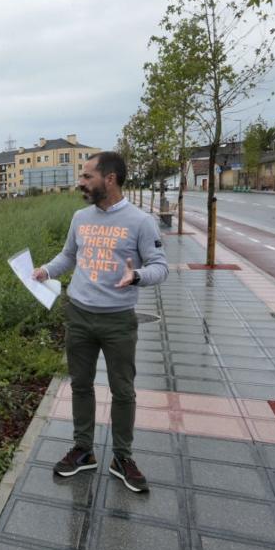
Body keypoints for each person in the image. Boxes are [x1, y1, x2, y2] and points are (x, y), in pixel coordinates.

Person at [32, 152, 169, 492]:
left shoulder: (140, 221)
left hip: (118, 320)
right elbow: (68, 256)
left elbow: (160, 266)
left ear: (110, 179)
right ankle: (83, 450)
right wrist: (46, 271)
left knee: (123, 390)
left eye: (87, 176)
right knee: (80, 384)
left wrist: (136, 276)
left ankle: (122, 456)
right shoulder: (80, 217)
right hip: (78, 314)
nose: (81, 182)